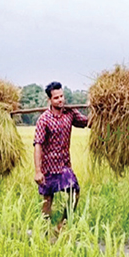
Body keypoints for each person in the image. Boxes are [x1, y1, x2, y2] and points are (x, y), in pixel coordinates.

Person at [33, 81, 89, 233]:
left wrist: (101, 110)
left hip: (64, 165)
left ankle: (62, 225)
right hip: (48, 167)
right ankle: (43, 231)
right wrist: (38, 171)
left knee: (74, 193)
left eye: (62, 96)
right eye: (56, 98)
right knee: (47, 201)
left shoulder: (70, 113)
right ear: (49, 100)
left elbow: (87, 122)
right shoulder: (44, 120)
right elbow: (37, 144)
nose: (61, 100)